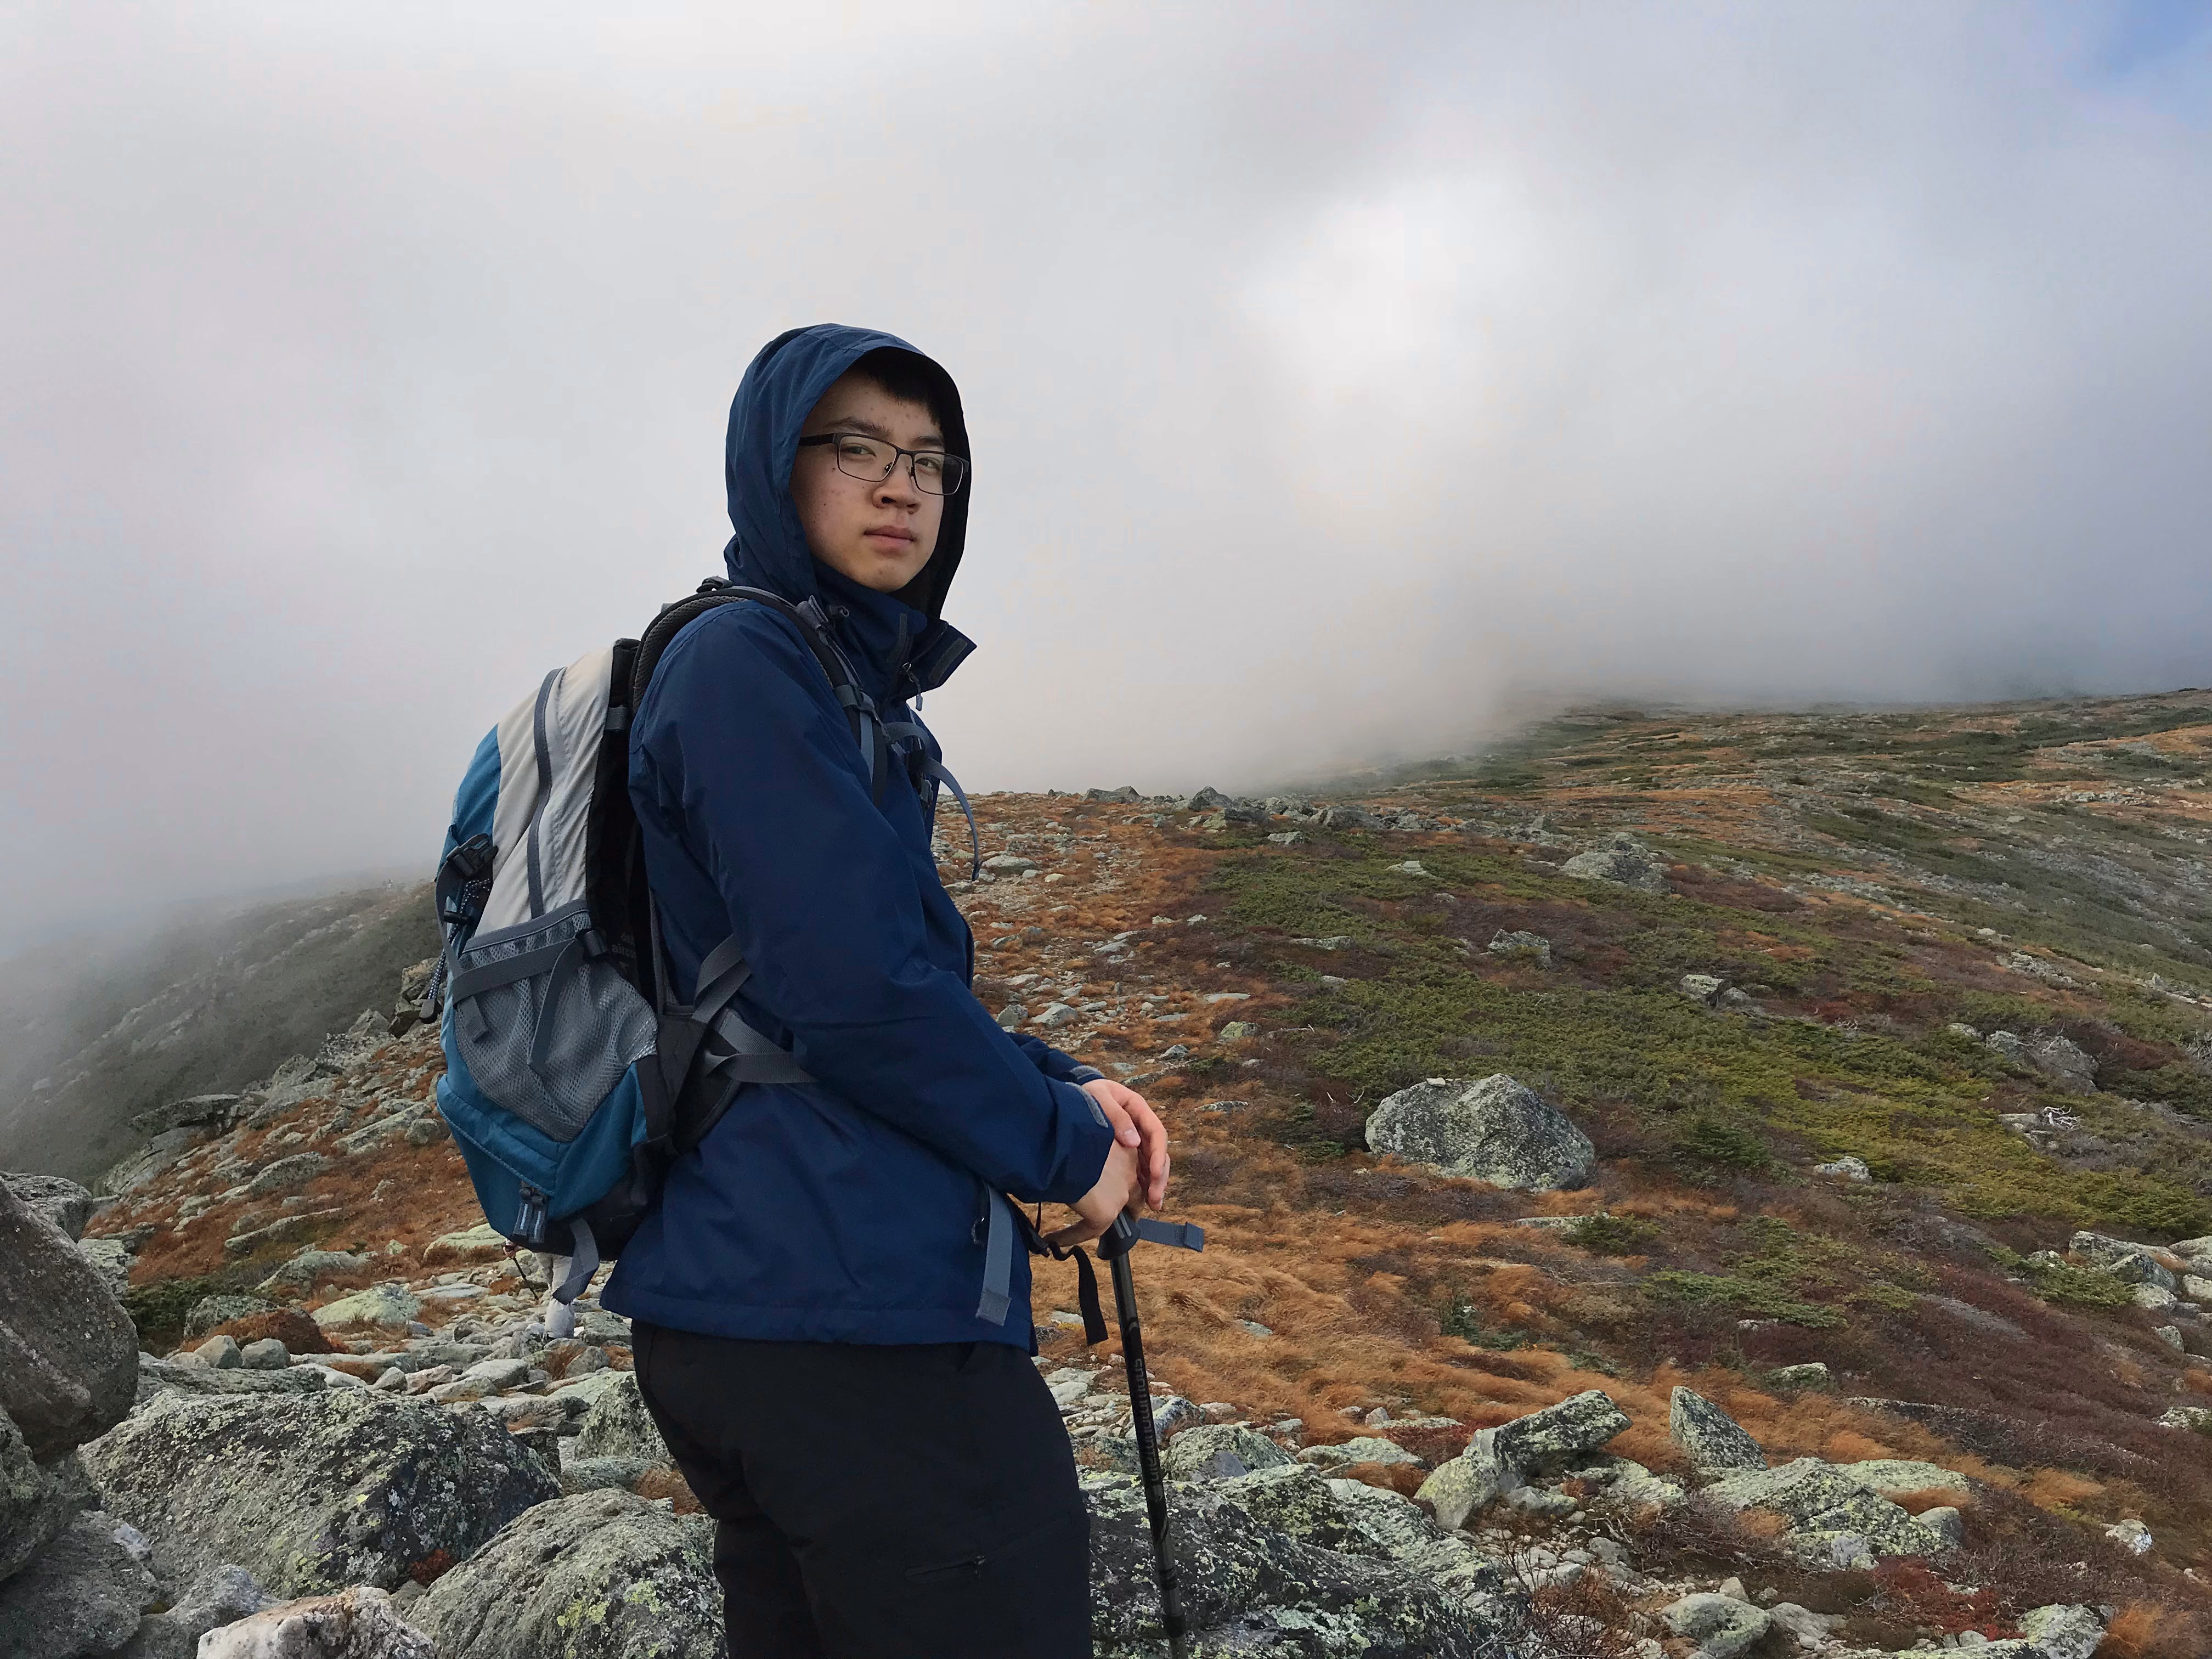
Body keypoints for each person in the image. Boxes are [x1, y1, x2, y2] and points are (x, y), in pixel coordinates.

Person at [601, 323, 1172, 1658]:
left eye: (928, 460)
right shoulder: (749, 667)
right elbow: (849, 991)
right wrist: (1062, 1147)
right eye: (854, 447)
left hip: (766, 1299)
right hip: (840, 1314)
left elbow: (845, 975)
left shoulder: (826, 679)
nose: (900, 484)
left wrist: (1054, 1078)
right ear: (772, 466)